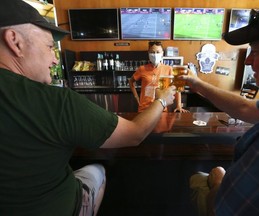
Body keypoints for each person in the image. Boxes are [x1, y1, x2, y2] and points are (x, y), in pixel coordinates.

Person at [0, 0, 176, 216]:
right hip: (60, 207)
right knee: (97, 169)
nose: (55, 58)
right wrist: (162, 100)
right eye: (49, 46)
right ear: (14, 42)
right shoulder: (57, 102)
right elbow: (135, 134)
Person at [182, 0, 259, 215]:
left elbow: (222, 209)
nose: (248, 61)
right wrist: (197, 83)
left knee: (198, 179)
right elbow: (245, 108)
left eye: (257, 51)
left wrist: (220, 176)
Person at [129, 41, 189, 113]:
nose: (155, 55)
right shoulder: (142, 69)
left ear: (162, 53)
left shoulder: (168, 69)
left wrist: (179, 106)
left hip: (161, 108)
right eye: (152, 52)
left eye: (158, 52)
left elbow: (177, 88)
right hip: (144, 109)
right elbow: (131, 81)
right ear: (148, 53)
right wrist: (137, 98)